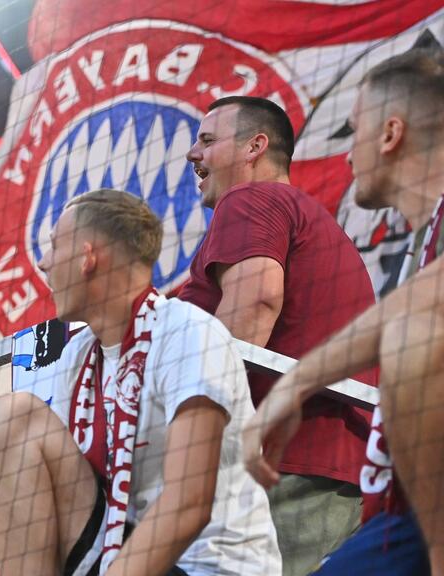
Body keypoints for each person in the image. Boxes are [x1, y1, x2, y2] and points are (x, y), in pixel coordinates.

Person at [0, 189, 280, 575]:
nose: (43, 262)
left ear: (88, 258)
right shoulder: (77, 356)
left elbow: (189, 504)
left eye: (55, 247)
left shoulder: (187, 332)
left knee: (14, 415)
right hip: (121, 551)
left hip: (207, 566)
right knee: (8, 418)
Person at [245, 48, 444, 576]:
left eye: (355, 129)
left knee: (410, 338)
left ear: (390, 134)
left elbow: (428, 302)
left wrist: (294, 384)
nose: (348, 154)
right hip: (394, 519)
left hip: (417, 527)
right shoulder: (423, 247)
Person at [176, 95, 376, 575]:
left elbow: (252, 310)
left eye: (207, 140)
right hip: (326, 462)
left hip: (284, 462)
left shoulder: (253, 198)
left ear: (254, 147)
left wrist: (185, 432)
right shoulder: (305, 215)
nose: (192, 154)